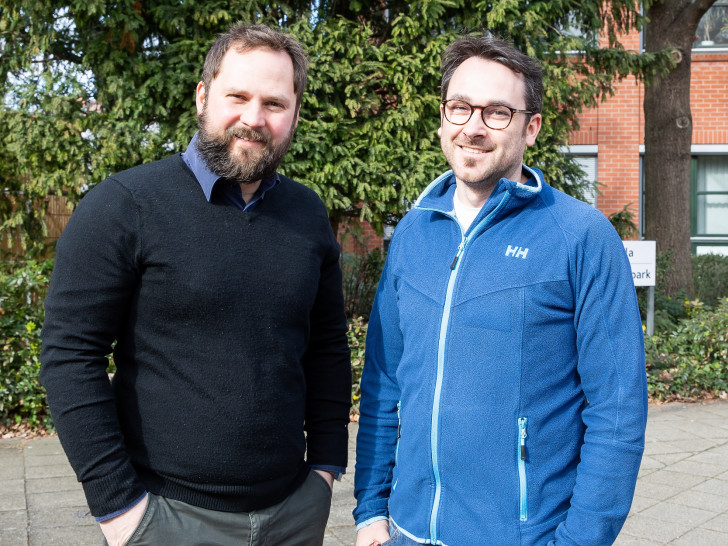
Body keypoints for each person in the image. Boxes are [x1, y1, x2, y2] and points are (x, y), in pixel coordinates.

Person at [40, 23, 351, 546]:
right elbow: (70, 356)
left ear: (295, 114)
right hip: (167, 518)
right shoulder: (125, 206)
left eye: (274, 103)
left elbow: (326, 347)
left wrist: (323, 469)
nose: (253, 119)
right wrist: (118, 509)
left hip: (294, 514)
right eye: (238, 96)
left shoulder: (307, 214)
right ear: (203, 96)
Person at [354, 33, 647, 545]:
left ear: (530, 127)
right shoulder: (413, 233)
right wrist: (371, 510)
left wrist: (578, 541)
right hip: (405, 533)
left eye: (496, 113)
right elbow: (384, 383)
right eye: (460, 108)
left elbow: (617, 411)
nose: (473, 127)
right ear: (443, 117)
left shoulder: (579, 236)